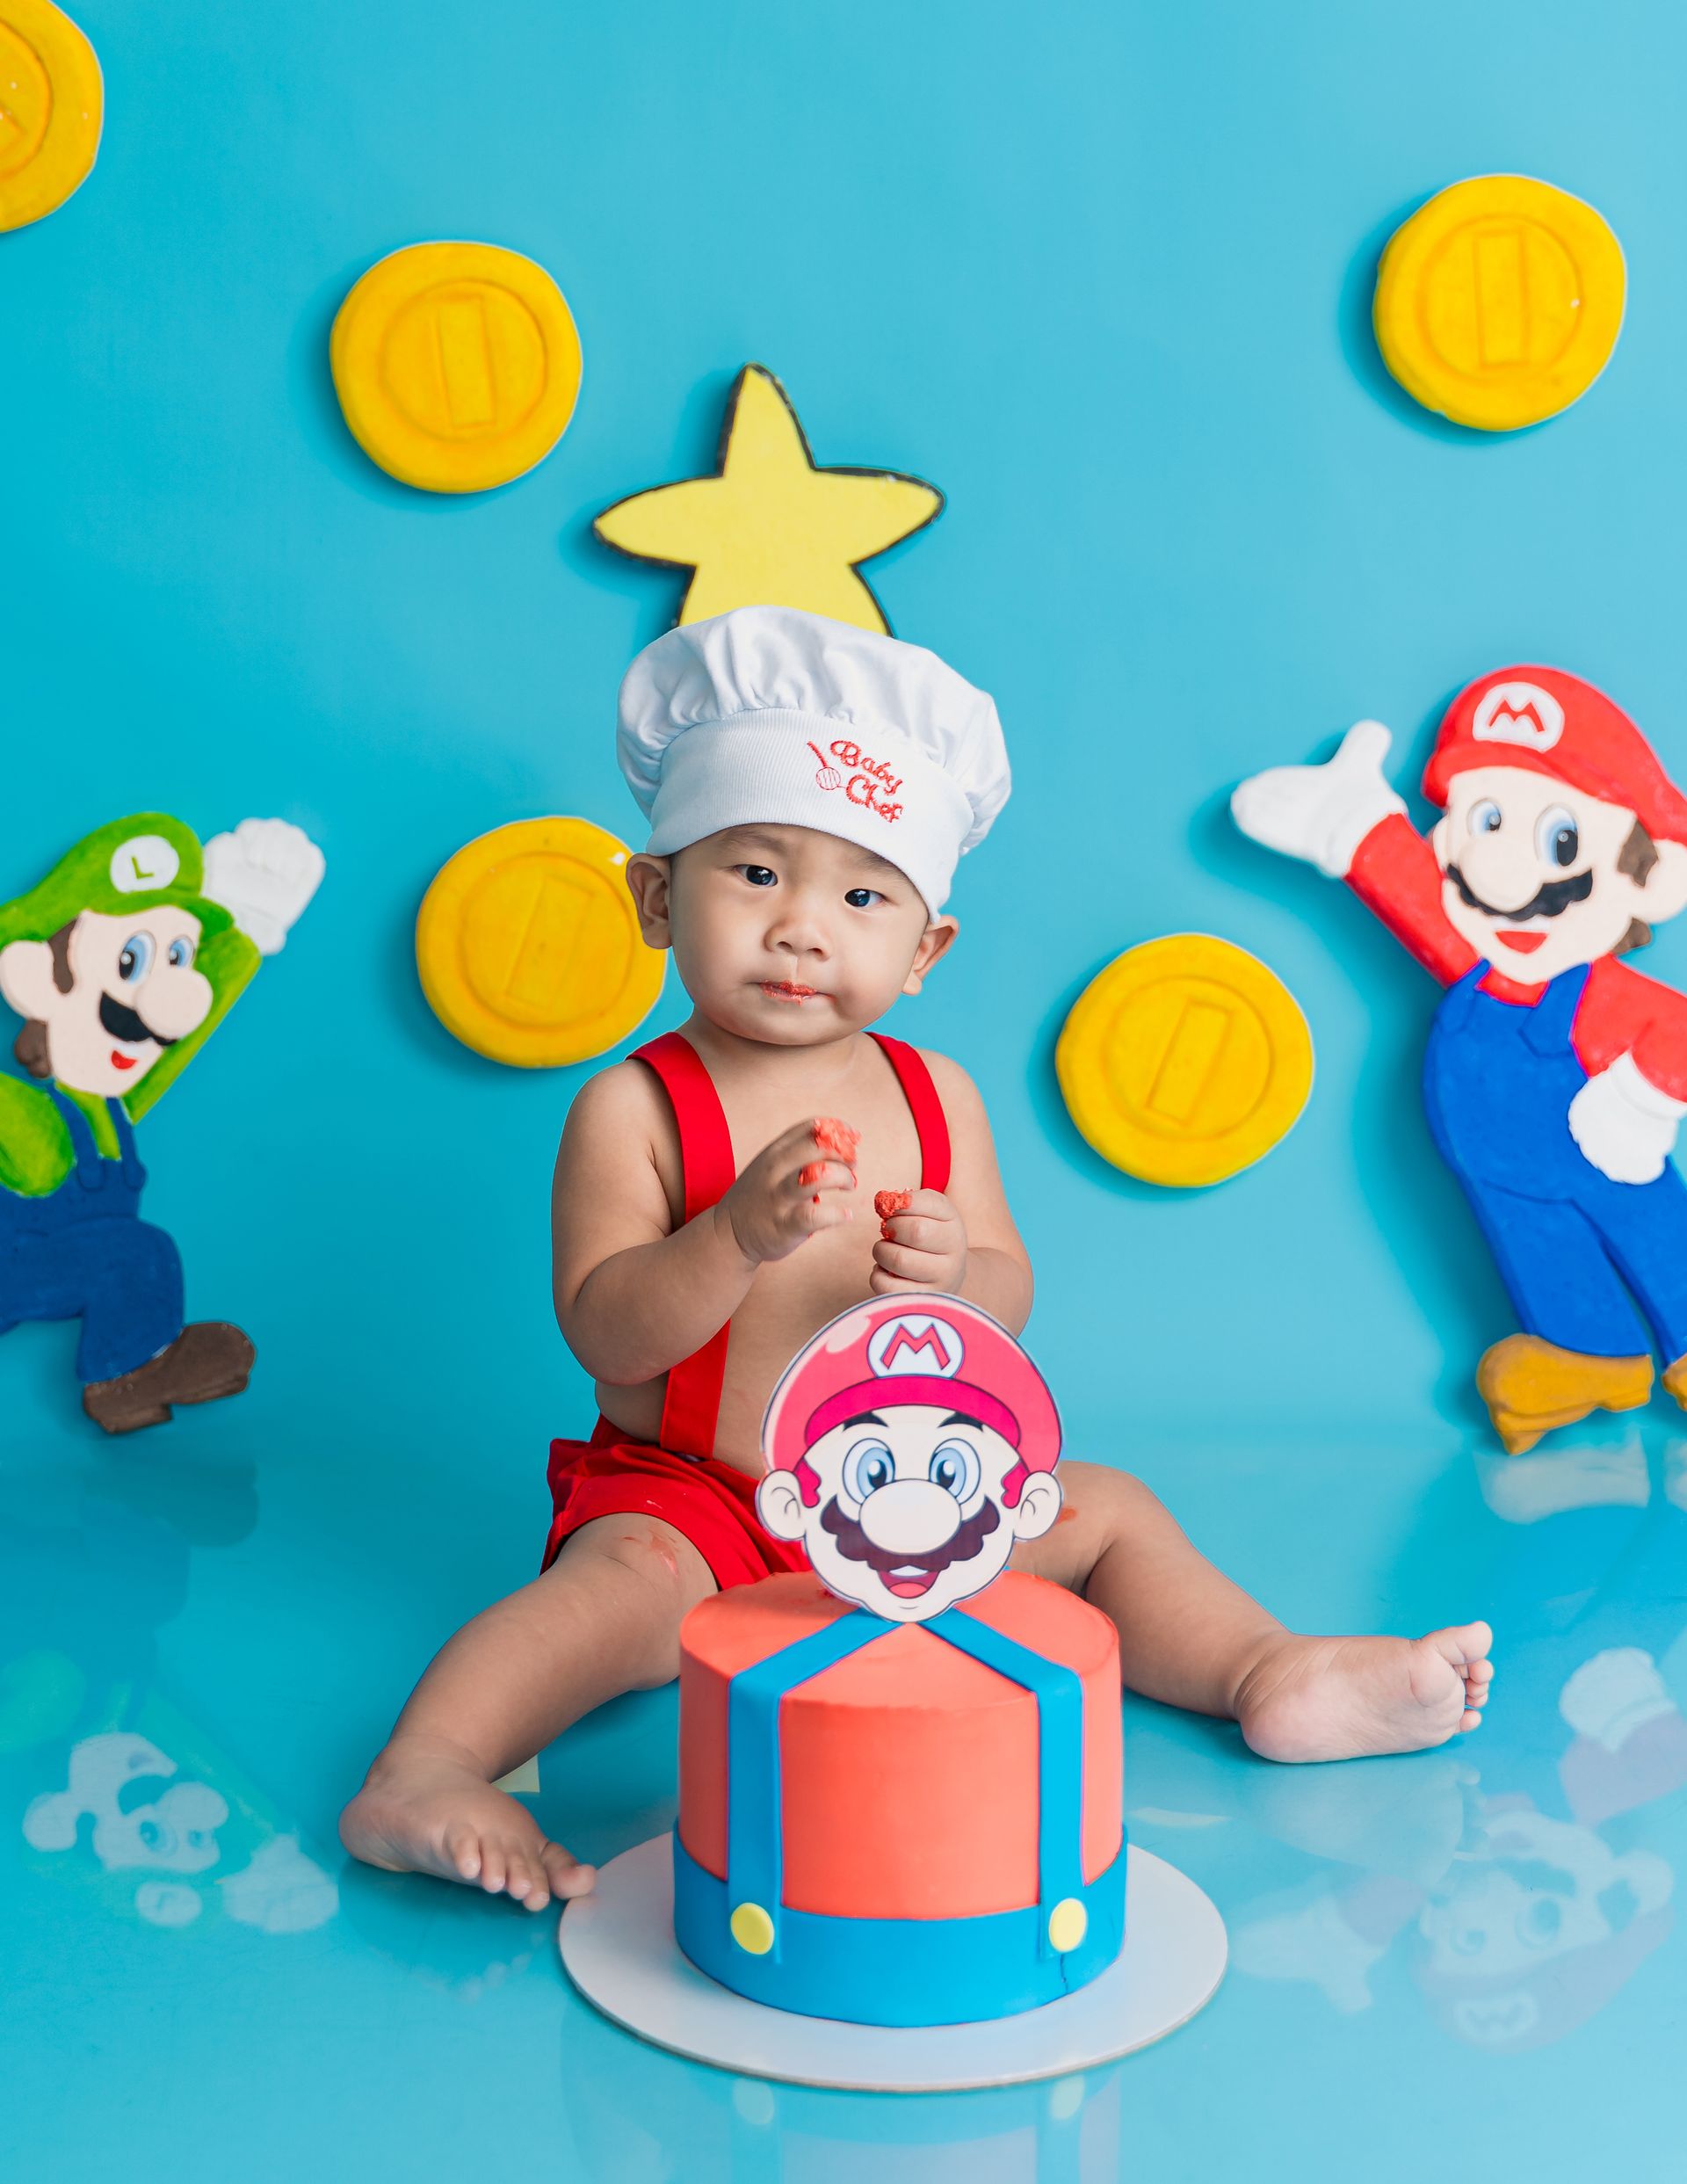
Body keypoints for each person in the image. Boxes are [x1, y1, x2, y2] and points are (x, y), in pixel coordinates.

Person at [342, 606, 1493, 1913]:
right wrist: (732, 1237)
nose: (802, 929)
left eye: (862, 895)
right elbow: (605, 1332)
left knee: (1110, 1513)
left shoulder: (939, 1095)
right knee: (607, 1597)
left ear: (925, 948)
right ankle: (425, 1770)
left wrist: (956, 1276)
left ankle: (1267, 1673)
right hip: (698, 1504)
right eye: (755, 872)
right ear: (658, 898)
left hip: (912, 1491)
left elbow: (1007, 1292)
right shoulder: (635, 1108)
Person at [1233, 666, 1687, 1453]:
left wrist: (1639, 1103)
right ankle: (1591, 1356)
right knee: (1539, 1249)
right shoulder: (1473, 958)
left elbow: (1675, 1032)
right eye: (1486, 821)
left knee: (1659, 1237)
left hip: (1608, 1152)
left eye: (1560, 840)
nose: (1502, 870)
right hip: (1501, 1171)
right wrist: (1351, 820)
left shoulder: (1601, 990)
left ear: (1646, 874)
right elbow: (1412, 890)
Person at [0, 814, 323, 1431]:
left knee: (137, 1252)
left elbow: (183, 1035)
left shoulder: (108, 1105)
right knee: (134, 1250)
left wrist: (246, 927)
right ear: (40, 979)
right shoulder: (29, 1116)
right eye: (131, 960)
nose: (165, 1003)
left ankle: (132, 1375)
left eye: (177, 958)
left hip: (53, 1268)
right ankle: (125, 1375)